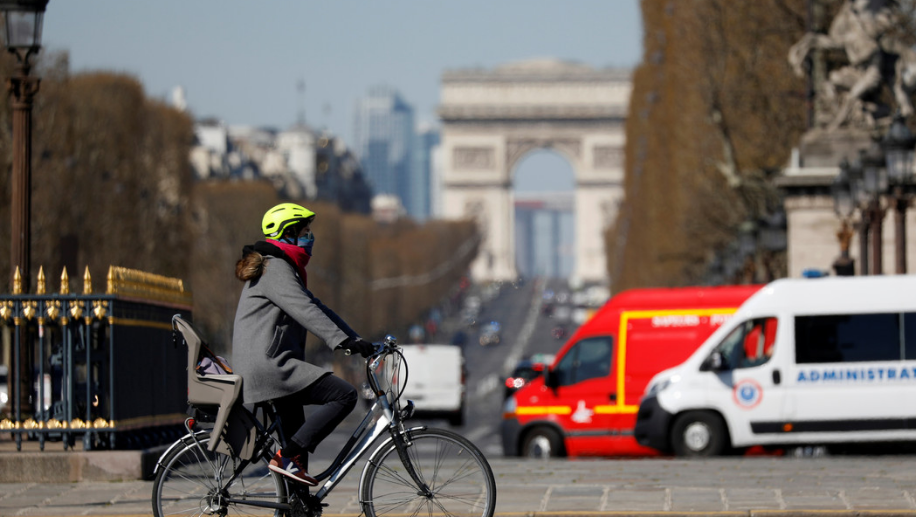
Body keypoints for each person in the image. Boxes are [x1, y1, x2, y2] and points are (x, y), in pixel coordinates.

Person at [232, 202, 374, 486]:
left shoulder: (281, 267)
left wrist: (354, 339)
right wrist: (342, 341)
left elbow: (316, 306)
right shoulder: (275, 268)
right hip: (270, 367)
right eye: (305, 232)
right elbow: (305, 311)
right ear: (288, 234)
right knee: (344, 395)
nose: (311, 238)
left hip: (273, 364)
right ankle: (286, 457)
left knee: (298, 447)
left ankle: (297, 503)